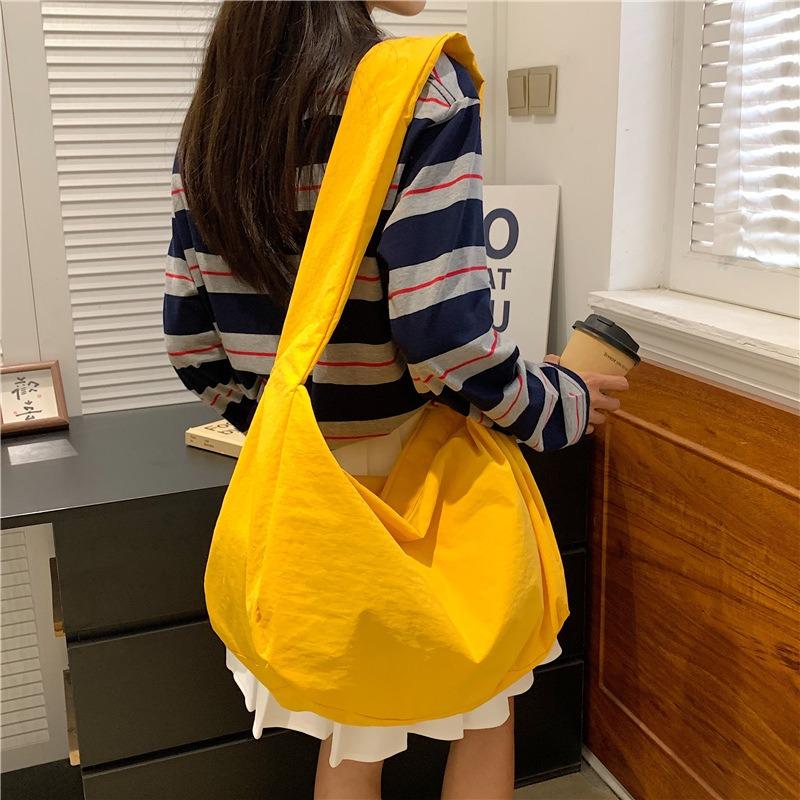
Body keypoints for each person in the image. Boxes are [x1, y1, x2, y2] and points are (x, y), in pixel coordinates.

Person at [162, 2, 628, 798]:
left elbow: (190, 343)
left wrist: (281, 431)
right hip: (426, 481)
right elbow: (446, 332)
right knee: (485, 706)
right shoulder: (417, 89)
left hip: (307, 498)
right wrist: (561, 406)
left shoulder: (219, 111)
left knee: (352, 729)